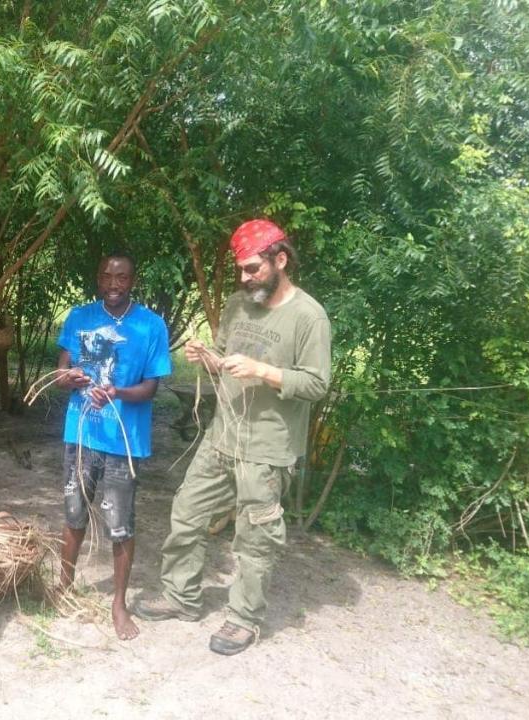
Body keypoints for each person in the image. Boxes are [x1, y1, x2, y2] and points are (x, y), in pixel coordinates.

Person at [134, 218, 331, 655]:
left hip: (266, 449)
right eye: (240, 270)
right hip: (222, 437)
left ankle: (243, 620)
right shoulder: (238, 305)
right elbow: (224, 361)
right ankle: (181, 597)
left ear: (280, 260)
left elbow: (318, 384)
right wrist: (206, 357)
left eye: (253, 269)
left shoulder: (309, 316)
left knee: (254, 538)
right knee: (187, 512)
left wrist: (263, 371)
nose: (244, 279)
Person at [54, 253, 172, 640]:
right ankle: (63, 587)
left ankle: (118, 605)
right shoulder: (80, 317)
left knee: (120, 524)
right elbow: (61, 370)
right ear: (98, 278)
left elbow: (151, 388)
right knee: (74, 514)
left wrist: (117, 391)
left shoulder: (151, 325)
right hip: (81, 434)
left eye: (121, 276)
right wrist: (68, 377)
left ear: (133, 280)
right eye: (106, 276)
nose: (113, 283)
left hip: (124, 441)